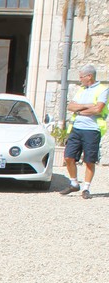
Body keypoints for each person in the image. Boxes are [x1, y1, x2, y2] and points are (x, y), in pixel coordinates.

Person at [60, 64, 108, 199]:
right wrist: (87, 106)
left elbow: (98, 109)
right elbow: (70, 106)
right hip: (76, 128)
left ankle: (86, 188)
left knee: (89, 160)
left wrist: (79, 110)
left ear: (89, 76)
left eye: (81, 77)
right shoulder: (81, 90)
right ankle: (74, 183)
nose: (80, 79)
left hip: (92, 129)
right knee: (68, 157)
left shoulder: (102, 90)